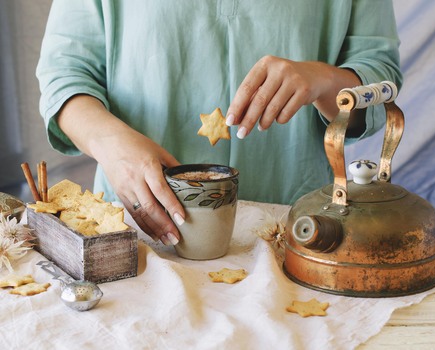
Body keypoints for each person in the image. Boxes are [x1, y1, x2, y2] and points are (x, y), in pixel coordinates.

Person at [36, 0, 402, 246]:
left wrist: (323, 79)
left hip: (293, 228)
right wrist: (112, 147)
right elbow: (65, 75)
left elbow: (380, 74)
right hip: (139, 226)